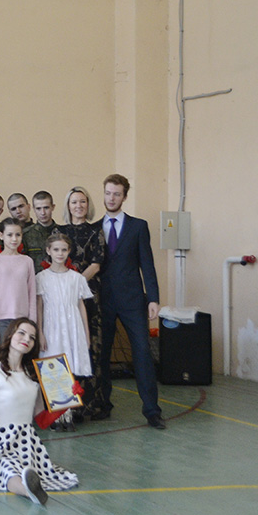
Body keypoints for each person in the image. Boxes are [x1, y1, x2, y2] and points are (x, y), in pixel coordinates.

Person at [0, 318, 80, 505]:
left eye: (32, 337)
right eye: (22, 333)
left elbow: (41, 421)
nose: (27, 339)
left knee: (16, 466)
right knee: (5, 466)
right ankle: (28, 491)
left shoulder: (33, 375)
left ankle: (29, 486)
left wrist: (67, 402)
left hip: (25, 442)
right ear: (10, 335)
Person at [97, 174, 164, 429]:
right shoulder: (94, 228)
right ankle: (104, 405)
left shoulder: (138, 226)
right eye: (108, 193)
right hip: (103, 300)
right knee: (102, 354)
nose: (111, 198)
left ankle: (152, 411)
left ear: (124, 197)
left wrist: (153, 298)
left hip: (133, 300)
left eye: (116, 194)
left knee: (143, 352)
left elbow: (147, 264)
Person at [55, 186, 107, 419]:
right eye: (74, 202)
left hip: (88, 294)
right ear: (68, 206)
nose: (79, 206)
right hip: (62, 297)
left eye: (82, 202)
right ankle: (64, 407)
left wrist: (74, 283)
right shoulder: (59, 231)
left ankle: (89, 406)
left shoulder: (96, 231)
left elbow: (96, 264)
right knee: (63, 347)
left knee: (89, 348)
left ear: (88, 205)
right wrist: (66, 286)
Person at [37, 233, 92, 431]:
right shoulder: (41, 277)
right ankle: (56, 415)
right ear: (48, 251)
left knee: (69, 366)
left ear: (69, 251)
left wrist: (86, 334)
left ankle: (67, 413)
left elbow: (81, 306)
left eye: (63, 250)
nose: (59, 254)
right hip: (51, 326)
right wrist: (40, 332)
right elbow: (39, 307)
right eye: (56, 250)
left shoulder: (76, 278)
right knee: (54, 367)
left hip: (72, 326)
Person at [0, 218, 37, 344]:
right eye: (10, 235)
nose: (14, 239)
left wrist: (32, 322)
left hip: (23, 319)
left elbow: (32, 293)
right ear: (1, 236)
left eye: (18, 235)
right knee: (2, 354)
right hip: (0, 320)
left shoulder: (27, 261)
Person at [22, 190, 57, 268]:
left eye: (46, 208)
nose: (43, 213)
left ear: (53, 207)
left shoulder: (63, 233)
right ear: (33, 209)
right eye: (38, 208)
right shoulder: (25, 235)